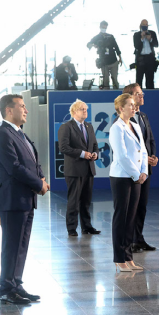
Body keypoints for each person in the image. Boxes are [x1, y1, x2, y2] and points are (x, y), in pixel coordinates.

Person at [0, 95, 48, 305]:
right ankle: (6, 288)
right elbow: (14, 167)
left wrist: (42, 176)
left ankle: (16, 284)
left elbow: (32, 161)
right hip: (13, 199)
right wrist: (39, 184)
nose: (26, 110)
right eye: (21, 106)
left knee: (21, 245)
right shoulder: (3, 134)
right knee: (12, 245)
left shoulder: (19, 134)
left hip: (25, 199)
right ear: (9, 110)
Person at [109, 94, 148, 272]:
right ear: (120, 109)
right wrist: (136, 174)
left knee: (131, 217)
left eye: (134, 105)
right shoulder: (116, 128)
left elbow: (144, 151)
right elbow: (122, 156)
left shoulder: (135, 125)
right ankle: (119, 258)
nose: (134, 107)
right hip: (122, 177)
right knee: (121, 217)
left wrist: (144, 171)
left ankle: (128, 256)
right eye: (130, 105)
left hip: (136, 176)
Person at [123, 84, 158, 253]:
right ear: (129, 97)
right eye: (138, 93)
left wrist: (152, 157)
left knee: (142, 205)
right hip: (133, 171)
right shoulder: (123, 120)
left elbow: (150, 139)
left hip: (146, 169)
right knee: (132, 207)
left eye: (142, 93)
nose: (142, 95)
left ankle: (138, 239)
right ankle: (128, 242)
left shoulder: (143, 116)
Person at [57, 99, 100, 236]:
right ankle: (71, 228)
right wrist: (83, 154)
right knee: (74, 201)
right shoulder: (66, 127)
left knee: (86, 200)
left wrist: (95, 154)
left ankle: (86, 226)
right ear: (74, 111)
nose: (85, 111)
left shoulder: (89, 126)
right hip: (74, 170)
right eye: (82, 109)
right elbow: (64, 148)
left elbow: (94, 145)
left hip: (88, 169)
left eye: (86, 109)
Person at [87, 21, 122, 90]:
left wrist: (120, 57)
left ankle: (116, 92)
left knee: (114, 78)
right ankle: (106, 93)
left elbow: (116, 47)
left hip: (113, 60)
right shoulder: (97, 37)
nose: (104, 28)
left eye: (105, 27)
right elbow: (88, 44)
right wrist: (94, 45)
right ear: (100, 27)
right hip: (104, 61)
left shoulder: (110, 36)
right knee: (105, 80)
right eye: (102, 27)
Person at [133, 19, 159, 89]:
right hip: (140, 59)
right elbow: (136, 46)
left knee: (150, 78)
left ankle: (151, 94)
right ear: (141, 25)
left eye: (146, 24)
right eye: (143, 24)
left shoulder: (152, 33)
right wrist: (142, 38)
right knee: (139, 79)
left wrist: (150, 39)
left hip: (150, 58)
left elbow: (156, 44)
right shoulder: (136, 34)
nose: (145, 26)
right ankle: (138, 96)